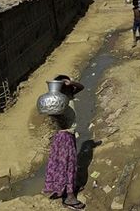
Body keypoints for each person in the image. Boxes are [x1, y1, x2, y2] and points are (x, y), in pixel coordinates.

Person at [43, 75, 86, 210]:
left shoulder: (69, 95)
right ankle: (69, 197)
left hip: (68, 136)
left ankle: (63, 189)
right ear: (61, 88)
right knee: (68, 166)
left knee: (63, 165)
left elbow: (81, 87)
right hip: (64, 136)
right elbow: (51, 113)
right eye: (66, 86)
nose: (70, 88)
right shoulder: (57, 100)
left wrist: (70, 82)